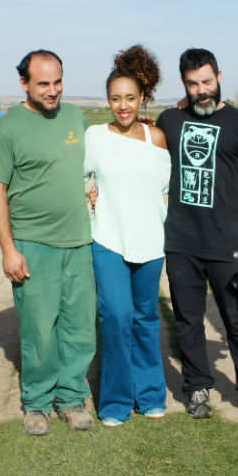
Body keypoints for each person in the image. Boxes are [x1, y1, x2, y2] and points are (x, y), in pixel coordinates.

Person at [157, 48, 238, 425]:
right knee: (187, 321)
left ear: (219, 76)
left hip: (230, 244)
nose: (201, 90)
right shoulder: (170, 119)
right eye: (193, 84)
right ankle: (197, 387)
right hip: (181, 243)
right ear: (184, 84)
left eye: (207, 82)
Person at [0, 50, 97, 436]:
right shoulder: (8, 128)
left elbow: (92, 164)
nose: (52, 90)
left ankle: (72, 398)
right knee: (39, 330)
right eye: (43, 83)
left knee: (79, 327)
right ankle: (37, 402)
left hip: (79, 240)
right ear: (24, 84)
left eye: (57, 81)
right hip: (32, 243)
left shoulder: (76, 117)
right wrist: (8, 249)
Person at [85, 45, 170, 427]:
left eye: (130, 98)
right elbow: (78, 177)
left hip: (150, 242)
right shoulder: (94, 137)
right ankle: (116, 402)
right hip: (108, 241)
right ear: (108, 100)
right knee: (117, 317)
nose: (123, 106)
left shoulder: (158, 139)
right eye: (116, 98)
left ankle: (150, 396)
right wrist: (87, 191)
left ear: (142, 98)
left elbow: (166, 188)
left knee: (146, 318)